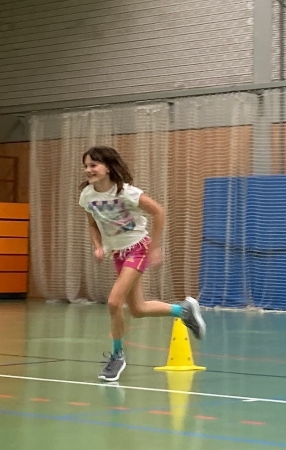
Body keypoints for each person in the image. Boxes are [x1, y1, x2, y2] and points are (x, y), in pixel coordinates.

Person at [79, 145, 205, 382]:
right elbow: (92, 223)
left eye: (93, 165)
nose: (88, 170)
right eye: (86, 166)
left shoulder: (127, 193)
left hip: (138, 248)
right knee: (138, 309)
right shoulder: (87, 196)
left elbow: (158, 212)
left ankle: (117, 356)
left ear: (108, 167)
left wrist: (154, 247)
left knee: (114, 301)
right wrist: (97, 246)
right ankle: (183, 310)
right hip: (119, 253)